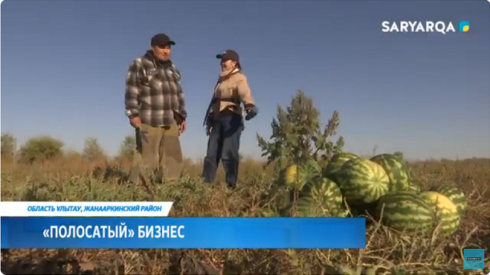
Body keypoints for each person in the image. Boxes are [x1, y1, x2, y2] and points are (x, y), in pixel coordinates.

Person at [124, 33, 187, 183]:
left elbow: (179, 93)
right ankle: (139, 190)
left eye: (168, 47)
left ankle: (170, 188)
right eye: (162, 47)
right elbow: (132, 90)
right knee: (147, 157)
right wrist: (133, 114)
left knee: (172, 158)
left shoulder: (172, 68)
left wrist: (182, 116)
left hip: (170, 120)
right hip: (149, 118)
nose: (166, 51)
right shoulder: (140, 63)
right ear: (153, 48)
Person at [202, 49, 258, 189]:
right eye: (221, 60)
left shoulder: (240, 77)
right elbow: (215, 102)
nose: (222, 63)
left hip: (232, 118)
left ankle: (231, 187)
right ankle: (205, 187)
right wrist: (209, 121)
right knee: (211, 154)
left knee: (228, 154)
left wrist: (249, 106)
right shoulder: (220, 80)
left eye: (225, 60)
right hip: (217, 119)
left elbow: (245, 92)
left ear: (234, 63)